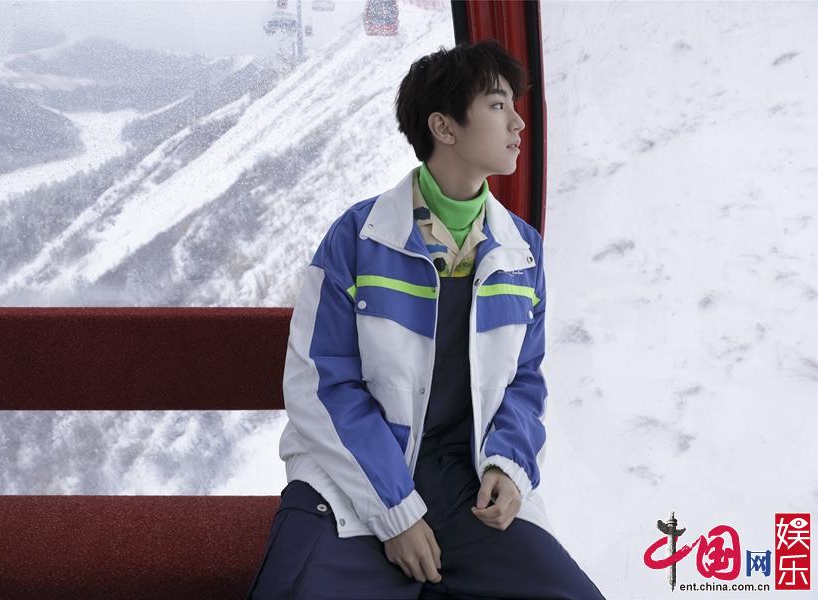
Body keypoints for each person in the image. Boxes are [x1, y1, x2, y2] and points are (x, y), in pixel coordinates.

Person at [247, 39, 606, 600]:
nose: (518, 123)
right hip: (355, 477)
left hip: (467, 485)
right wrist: (396, 512)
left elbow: (525, 379)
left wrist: (509, 465)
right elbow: (321, 385)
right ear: (444, 127)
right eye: (498, 105)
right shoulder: (358, 240)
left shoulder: (521, 252)